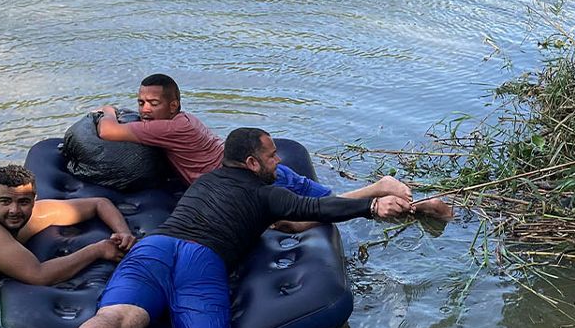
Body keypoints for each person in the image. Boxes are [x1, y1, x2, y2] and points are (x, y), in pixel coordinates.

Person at [2, 128, 412, 328]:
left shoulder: (208, 179)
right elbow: (319, 211)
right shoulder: (267, 194)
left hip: (156, 247)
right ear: (252, 162)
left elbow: (287, 222)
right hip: (203, 262)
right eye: (271, 156)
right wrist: (372, 207)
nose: (277, 161)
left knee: (112, 319)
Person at [93, 73, 453, 220]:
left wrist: (107, 110)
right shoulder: (183, 121)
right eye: (139, 103)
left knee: (306, 217)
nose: (142, 110)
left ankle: (380, 190)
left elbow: (108, 133)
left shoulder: (165, 129)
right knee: (325, 199)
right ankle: (417, 207)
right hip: (265, 168)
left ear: (173, 106)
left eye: (151, 104)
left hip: (247, 182)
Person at [0, 165, 135, 290]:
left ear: (34, 199)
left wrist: (123, 231)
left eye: (23, 202)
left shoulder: (34, 214)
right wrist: (97, 249)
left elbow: (99, 204)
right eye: (5, 202)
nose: (14, 210)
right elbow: (39, 275)